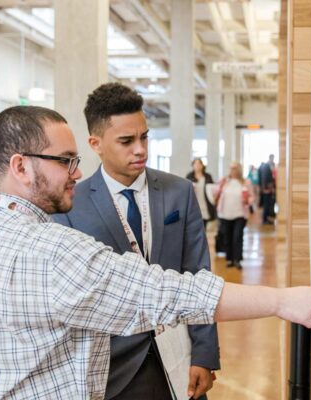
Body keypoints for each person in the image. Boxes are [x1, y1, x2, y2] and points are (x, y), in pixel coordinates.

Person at [0, 105, 311, 399]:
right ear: (20, 166)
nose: (75, 173)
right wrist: (280, 300)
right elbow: (162, 293)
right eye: (65, 161)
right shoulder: (48, 251)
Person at [53, 84, 219, 400]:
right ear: (96, 144)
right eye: (127, 141)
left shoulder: (179, 193)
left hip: (180, 356)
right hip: (111, 370)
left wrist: (205, 353)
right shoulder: (72, 208)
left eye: (144, 137)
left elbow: (199, 274)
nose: (140, 149)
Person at [214, 162, 254, 269]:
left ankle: (237, 259)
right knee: (227, 237)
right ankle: (229, 259)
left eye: (235, 168)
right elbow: (216, 193)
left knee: (237, 237)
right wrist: (219, 186)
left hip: (240, 214)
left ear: (239, 169)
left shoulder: (245, 182)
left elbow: (251, 197)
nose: (232, 171)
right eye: (231, 168)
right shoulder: (225, 181)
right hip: (225, 214)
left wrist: (247, 200)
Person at [186, 158, 217, 228]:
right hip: (193, 205)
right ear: (192, 165)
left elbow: (212, 188)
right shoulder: (189, 176)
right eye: (195, 164)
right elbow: (185, 190)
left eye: (199, 164)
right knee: (193, 226)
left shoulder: (208, 176)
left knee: (203, 226)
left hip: (205, 204)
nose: (197, 165)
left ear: (202, 165)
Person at [257, 155, 277, 224]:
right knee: (266, 205)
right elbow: (265, 179)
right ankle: (264, 220)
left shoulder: (268, 166)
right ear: (270, 158)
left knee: (268, 205)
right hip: (266, 190)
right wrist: (266, 189)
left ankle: (266, 218)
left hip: (267, 189)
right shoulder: (266, 166)